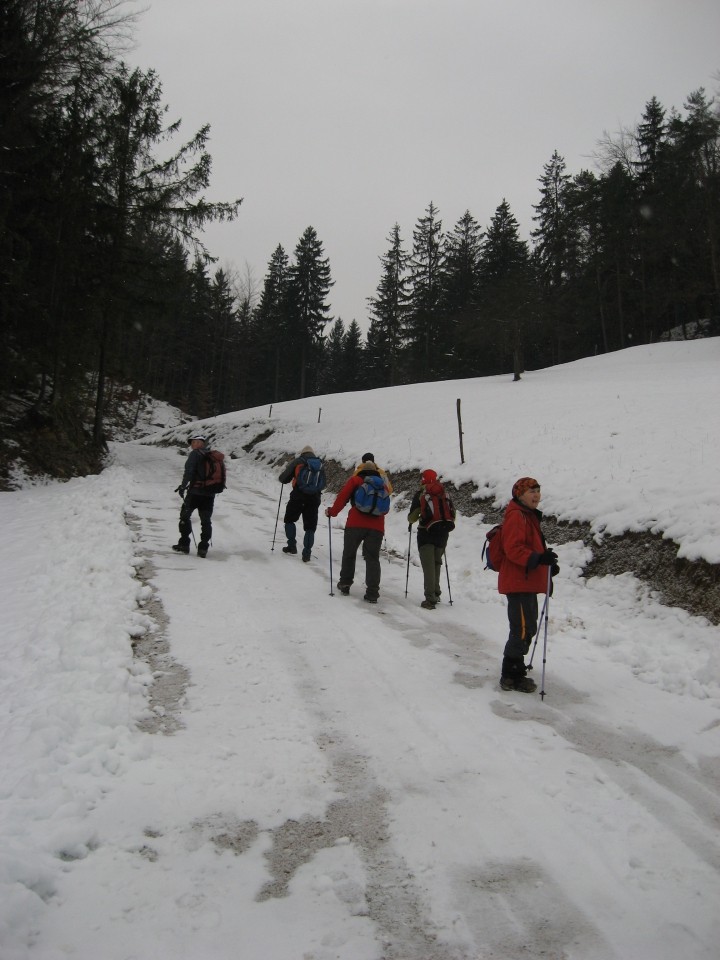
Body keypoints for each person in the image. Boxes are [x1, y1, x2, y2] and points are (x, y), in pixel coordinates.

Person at [497, 477, 559, 692]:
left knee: (527, 627)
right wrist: (539, 560)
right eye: (531, 491)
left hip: (526, 581)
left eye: (538, 491)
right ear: (519, 494)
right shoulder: (516, 516)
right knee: (521, 629)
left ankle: (516, 669)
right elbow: (513, 548)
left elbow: (529, 546)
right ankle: (510, 674)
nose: (536, 495)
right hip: (517, 581)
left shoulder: (528, 516)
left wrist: (546, 561)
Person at [325, 459, 390, 602]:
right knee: (372, 558)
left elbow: (342, 498)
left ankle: (345, 583)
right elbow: (385, 509)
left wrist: (332, 512)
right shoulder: (383, 485)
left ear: (361, 470)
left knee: (349, 553)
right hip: (376, 527)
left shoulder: (355, 480)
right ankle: (372, 592)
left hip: (355, 523)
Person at [407, 469, 456, 609]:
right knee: (436, 563)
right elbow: (453, 514)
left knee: (428, 566)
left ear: (423, 479)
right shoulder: (444, 493)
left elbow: (412, 517)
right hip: (442, 534)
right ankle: (436, 592)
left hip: (426, 534)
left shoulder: (421, 494)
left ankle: (430, 599)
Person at [278, 445, 325, 561]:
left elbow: (283, 478)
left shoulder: (299, 461)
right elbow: (323, 483)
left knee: (289, 520)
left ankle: (291, 546)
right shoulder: (320, 465)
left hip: (298, 496)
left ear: (302, 453)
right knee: (310, 527)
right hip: (314, 499)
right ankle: (307, 553)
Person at [172, 434, 216, 558]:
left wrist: (183, 486)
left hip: (195, 492)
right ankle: (203, 547)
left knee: (184, 516)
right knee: (206, 521)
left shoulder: (195, 454)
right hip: (210, 494)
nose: (192, 445)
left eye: (193, 442)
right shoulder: (212, 455)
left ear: (199, 443)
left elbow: (189, 471)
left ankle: (184, 544)